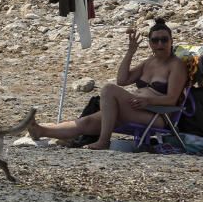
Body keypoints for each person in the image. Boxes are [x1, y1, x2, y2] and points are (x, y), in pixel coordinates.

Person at [28, 18, 188, 150]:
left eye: (164, 40)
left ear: (171, 41)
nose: (160, 44)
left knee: (109, 89)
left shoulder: (176, 65)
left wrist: (148, 101)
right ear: (150, 43)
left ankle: (104, 141)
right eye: (155, 40)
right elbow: (123, 80)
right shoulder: (149, 62)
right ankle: (41, 131)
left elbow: (171, 99)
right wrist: (130, 52)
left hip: (157, 115)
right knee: (87, 121)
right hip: (136, 109)